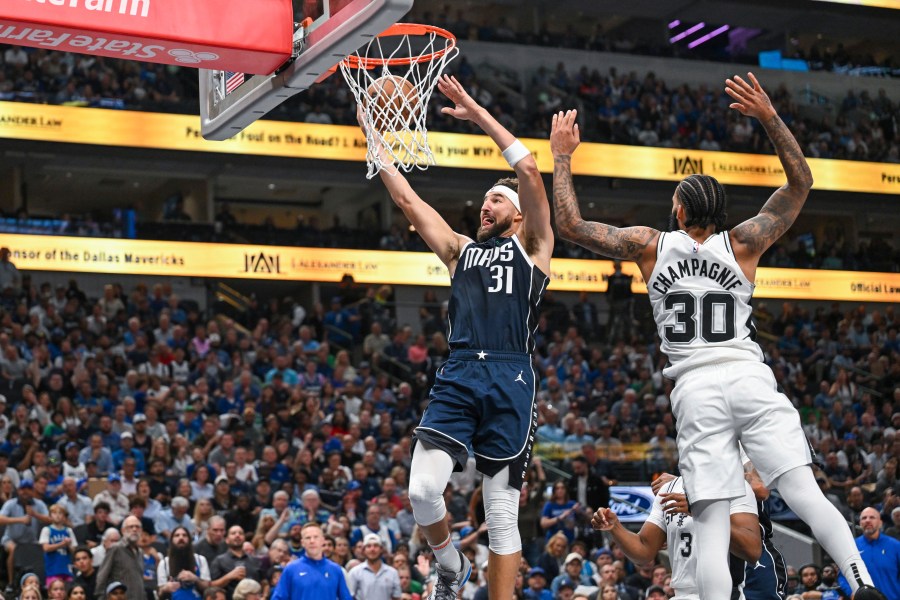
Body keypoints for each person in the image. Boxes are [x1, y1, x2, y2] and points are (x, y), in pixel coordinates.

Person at [550, 75, 883, 600]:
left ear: (680, 211)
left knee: (707, 527)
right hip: (749, 376)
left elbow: (569, 224)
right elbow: (801, 184)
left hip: (697, 388)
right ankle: (862, 583)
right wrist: (769, 118)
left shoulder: (650, 245)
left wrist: (563, 156)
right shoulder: (745, 242)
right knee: (803, 490)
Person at [362, 74, 553, 600]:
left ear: (516, 213)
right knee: (422, 490)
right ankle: (449, 568)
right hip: (461, 370)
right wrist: (371, 133)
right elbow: (405, 199)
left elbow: (531, 168)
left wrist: (474, 109)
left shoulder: (534, 246)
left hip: (512, 375)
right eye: (484, 199)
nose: (484, 204)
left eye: (495, 199)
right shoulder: (460, 251)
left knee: (501, 513)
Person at [592, 474, 761, 600]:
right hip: (681, 594)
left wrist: (701, 513)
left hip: (724, 593)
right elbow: (643, 551)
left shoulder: (735, 484)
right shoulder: (670, 488)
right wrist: (616, 528)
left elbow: (752, 550)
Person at [270, 522, 351, 600]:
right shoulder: (290, 570)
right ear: (302, 542)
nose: (312, 541)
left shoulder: (336, 570)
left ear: (322, 540)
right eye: (308, 538)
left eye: (316, 537)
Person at [0, 479, 50, 594]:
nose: (25, 492)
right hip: (11, 539)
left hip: (31, 540)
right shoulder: (11, 503)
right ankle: (11, 583)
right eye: (23, 489)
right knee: (14, 549)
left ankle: (39, 582)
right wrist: (20, 520)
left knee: (43, 549)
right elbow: (0, 519)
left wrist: (35, 514)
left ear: (32, 491)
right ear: (18, 490)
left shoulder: (39, 504)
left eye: (28, 489)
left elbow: (49, 519)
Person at [838, 508, 900, 599]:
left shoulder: (895, 546)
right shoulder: (851, 547)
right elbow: (842, 577)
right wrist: (851, 593)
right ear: (860, 523)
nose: (867, 520)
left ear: (880, 523)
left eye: (872, 517)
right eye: (864, 518)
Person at [95, 516, 146, 600]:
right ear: (123, 531)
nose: (134, 529)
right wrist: (101, 597)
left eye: (137, 527)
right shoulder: (115, 548)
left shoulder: (140, 552)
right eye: (131, 527)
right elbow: (102, 576)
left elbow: (140, 580)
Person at [157, 526, 211, 600]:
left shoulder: (200, 560)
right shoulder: (164, 563)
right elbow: (160, 593)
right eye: (177, 535)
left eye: (184, 535)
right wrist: (165, 588)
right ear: (171, 540)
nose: (181, 538)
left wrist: (195, 579)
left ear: (189, 539)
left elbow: (207, 588)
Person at [209, 525, 261, 599]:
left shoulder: (254, 560)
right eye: (233, 533)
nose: (237, 535)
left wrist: (264, 596)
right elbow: (211, 586)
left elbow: (264, 582)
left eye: (240, 533)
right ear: (227, 540)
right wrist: (229, 576)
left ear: (244, 538)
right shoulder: (219, 560)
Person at [346, 533, 401, 600]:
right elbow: (349, 596)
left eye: (376, 546)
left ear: (381, 549)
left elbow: (396, 597)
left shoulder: (392, 573)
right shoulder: (355, 572)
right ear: (364, 550)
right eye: (368, 546)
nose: (372, 549)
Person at [40, 504, 78, 586]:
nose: (57, 515)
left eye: (60, 513)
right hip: (53, 570)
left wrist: (68, 545)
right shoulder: (47, 530)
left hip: (67, 569)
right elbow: (46, 548)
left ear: (64, 517)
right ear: (50, 516)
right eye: (54, 513)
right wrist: (62, 544)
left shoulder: (69, 531)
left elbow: (74, 550)